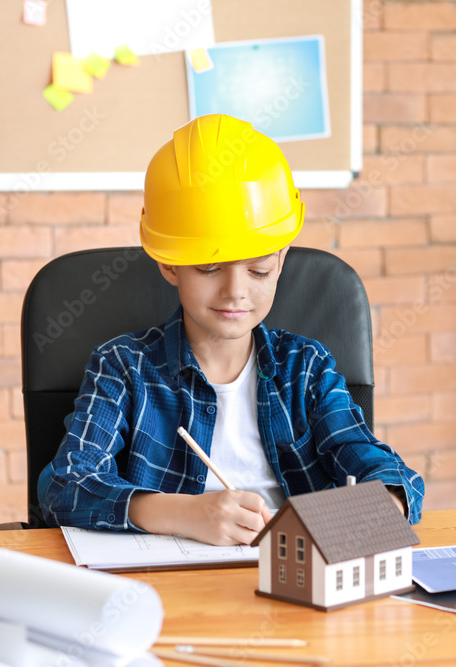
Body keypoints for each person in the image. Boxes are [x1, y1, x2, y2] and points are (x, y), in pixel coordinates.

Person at [38, 114, 424, 546]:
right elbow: (66, 485)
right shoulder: (124, 367)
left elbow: (381, 469)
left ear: (280, 261)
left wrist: (384, 504)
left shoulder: (307, 369)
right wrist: (183, 513)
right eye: (208, 268)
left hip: (292, 575)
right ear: (169, 263)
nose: (235, 292)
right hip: (170, 586)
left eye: (258, 270)